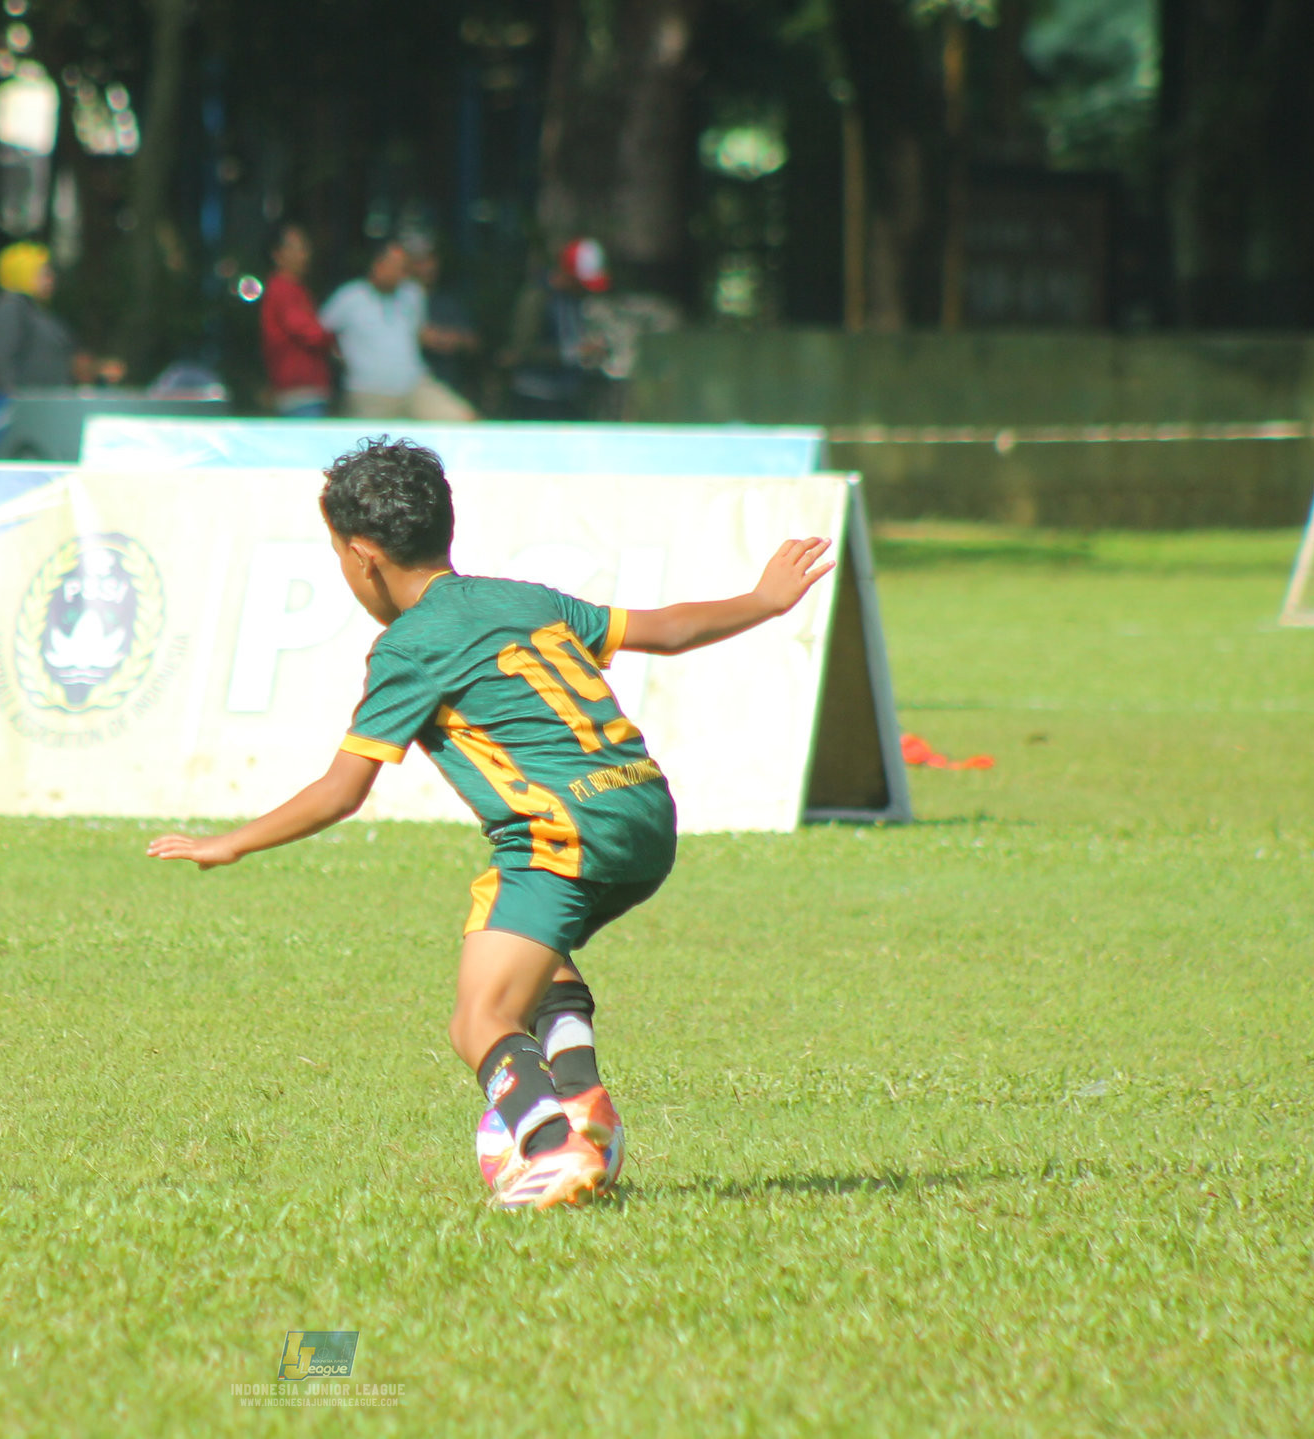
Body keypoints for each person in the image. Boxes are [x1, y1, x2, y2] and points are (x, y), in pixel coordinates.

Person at [148, 439, 833, 1210]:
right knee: (515, 935)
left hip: (564, 831)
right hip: (644, 810)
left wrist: (231, 841)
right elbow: (666, 629)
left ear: (364, 556)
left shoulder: (409, 647)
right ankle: (580, 1094)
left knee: (480, 1017)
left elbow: (341, 791)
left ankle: (550, 1146)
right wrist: (764, 600)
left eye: (338, 554)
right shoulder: (522, 599)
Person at [319, 240, 475, 422]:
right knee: (372, 439)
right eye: (396, 266)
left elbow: (418, 334)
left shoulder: (413, 294)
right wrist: (341, 357)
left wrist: (455, 339)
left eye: (404, 268)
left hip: (414, 387)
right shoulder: (349, 296)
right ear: (378, 265)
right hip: (369, 392)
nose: (401, 273)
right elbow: (320, 334)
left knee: (463, 419)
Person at [505, 237, 610, 421]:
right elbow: (522, 350)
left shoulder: (574, 299)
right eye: (580, 282)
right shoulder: (537, 297)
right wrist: (574, 353)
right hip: (536, 397)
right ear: (567, 274)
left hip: (567, 395)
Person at [0, 242, 81, 391]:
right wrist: (14, 398)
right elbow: (1, 360)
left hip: (46, 400)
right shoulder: (10, 309)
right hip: (29, 402)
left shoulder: (34, 310)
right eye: (44, 274)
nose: (51, 280)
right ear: (23, 273)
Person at [259, 222, 332, 417]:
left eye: (304, 249)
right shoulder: (283, 289)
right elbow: (310, 333)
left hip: (305, 392)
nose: (303, 256)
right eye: (296, 249)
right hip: (298, 393)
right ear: (277, 254)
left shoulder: (297, 289)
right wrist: (332, 336)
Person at [402, 234, 479, 400]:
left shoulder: (448, 301)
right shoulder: (397, 301)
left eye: (431, 260)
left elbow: (472, 342)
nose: (428, 267)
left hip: (445, 385)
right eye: (420, 262)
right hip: (405, 387)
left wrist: (441, 339)